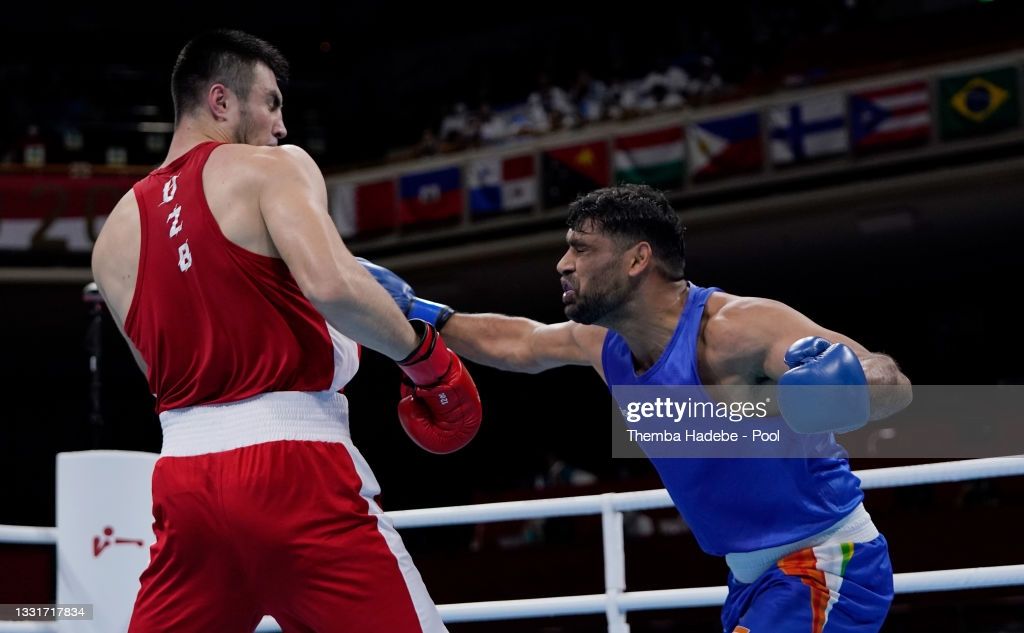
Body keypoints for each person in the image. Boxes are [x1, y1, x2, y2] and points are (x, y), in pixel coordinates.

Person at [362, 184, 913, 632]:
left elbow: (892, 381)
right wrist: (419, 311)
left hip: (825, 563)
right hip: (752, 579)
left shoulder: (736, 329)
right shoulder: (603, 344)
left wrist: (848, 387)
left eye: (581, 248)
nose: (563, 264)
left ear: (637, 259)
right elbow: (521, 343)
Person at [90, 29, 480, 633]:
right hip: (296, 471)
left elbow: (161, 376)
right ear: (221, 101)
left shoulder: (111, 239)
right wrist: (426, 358)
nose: (281, 126)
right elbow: (333, 286)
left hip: (183, 482)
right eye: (271, 102)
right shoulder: (274, 169)